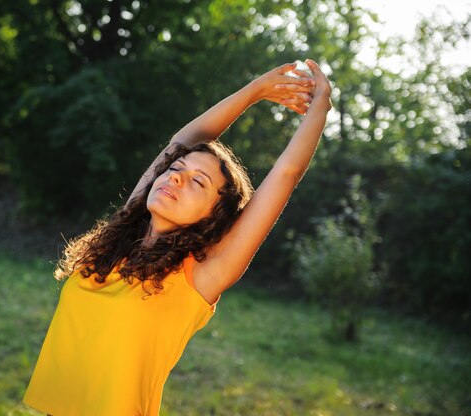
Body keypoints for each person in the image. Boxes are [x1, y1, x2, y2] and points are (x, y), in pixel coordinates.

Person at [22, 59, 332, 415]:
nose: (175, 178)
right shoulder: (118, 241)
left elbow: (286, 174)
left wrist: (319, 106)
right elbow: (183, 141)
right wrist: (254, 91)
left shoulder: (198, 276)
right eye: (175, 169)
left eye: (198, 182)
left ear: (216, 217)